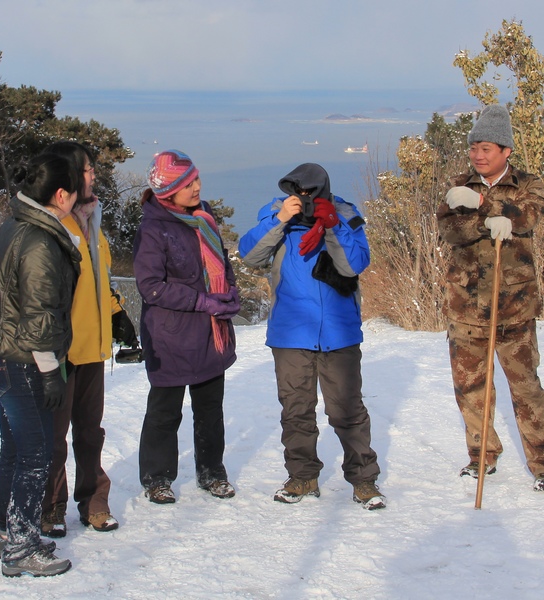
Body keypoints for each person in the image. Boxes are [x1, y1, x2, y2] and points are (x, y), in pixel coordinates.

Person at [239, 162, 386, 510]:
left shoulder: (346, 213)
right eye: (297, 193)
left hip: (339, 330)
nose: (303, 199)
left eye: (309, 194)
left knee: (348, 410)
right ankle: (302, 476)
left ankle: (363, 480)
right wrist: (280, 222)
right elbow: (249, 255)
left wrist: (331, 225)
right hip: (291, 331)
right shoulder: (276, 212)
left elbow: (354, 264)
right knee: (296, 410)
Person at [436, 103, 544, 492]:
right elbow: (451, 230)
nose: (477, 155)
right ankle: (481, 455)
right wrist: (483, 216)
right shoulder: (460, 185)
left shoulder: (529, 184)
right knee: (471, 388)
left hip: (515, 307)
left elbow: (528, 216)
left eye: (486, 148)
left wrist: (485, 206)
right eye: (474, 147)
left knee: (525, 387)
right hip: (465, 306)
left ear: (506, 151)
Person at [0, 152, 81, 577]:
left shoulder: (15, 225)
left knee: (15, 448)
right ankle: (21, 545)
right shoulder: (39, 242)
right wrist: (51, 372)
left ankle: (5, 532)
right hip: (19, 360)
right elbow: (39, 316)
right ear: (60, 195)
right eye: (75, 191)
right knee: (36, 453)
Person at [39, 141, 137, 538]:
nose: (93, 174)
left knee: (90, 434)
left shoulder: (92, 224)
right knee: (54, 437)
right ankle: (51, 507)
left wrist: (117, 314)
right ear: (66, 176)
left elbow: (101, 280)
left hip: (93, 350)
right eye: (86, 169)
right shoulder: (53, 226)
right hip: (60, 350)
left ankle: (94, 502)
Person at [134, 149, 239, 504]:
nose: (197, 187)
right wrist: (200, 301)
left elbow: (221, 259)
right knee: (165, 409)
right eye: (188, 183)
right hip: (171, 335)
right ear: (169, 190)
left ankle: (212, 471)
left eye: (196, 179)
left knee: (210, 407)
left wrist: (230, 292)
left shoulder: (204, 216)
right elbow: (150, 285)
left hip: (211, 332)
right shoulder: (154, 228)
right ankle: (157, 478)